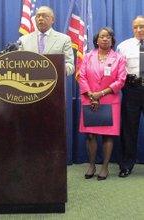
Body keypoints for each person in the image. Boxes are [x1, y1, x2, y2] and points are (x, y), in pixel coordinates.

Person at [79, 27, 126, 180]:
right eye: (102, 36)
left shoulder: (119, 58)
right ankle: (92, 165)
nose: (105, 39)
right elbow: (82, 76)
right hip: (89, 99)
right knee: (91, 135)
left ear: (112, 40)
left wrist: (101, 93)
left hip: (110, 100)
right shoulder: (88, 56)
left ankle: (104, 167)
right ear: (96, 40)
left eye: (108, 37)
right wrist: (91, 95)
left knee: (108, 136)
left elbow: (121, 80)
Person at [117, 16, 144, 177]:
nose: (139, 30)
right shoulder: (123, 46)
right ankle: (126, 165)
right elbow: (118, 69)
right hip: (132, 89)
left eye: (142, 26)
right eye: (136, 27)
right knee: (128, 128)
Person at [18, 6, 75, 76]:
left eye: (45, 16)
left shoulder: (64, 39)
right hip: (29, 83)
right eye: (38, 16)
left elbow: (70, 65)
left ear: (52, 19)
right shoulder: (23, 40)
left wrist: (60, 68)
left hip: (55, 83)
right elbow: (19, 64)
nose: (41, 18)